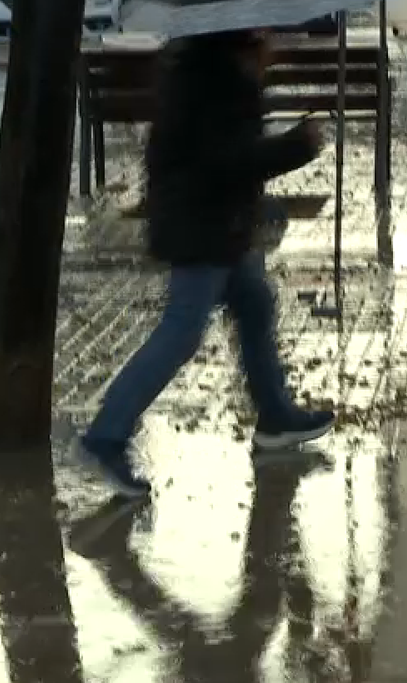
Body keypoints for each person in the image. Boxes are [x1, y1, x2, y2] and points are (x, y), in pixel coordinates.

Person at [77, 28, 335, 499]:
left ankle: (275, 416)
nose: (275, 45)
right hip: (201, 226)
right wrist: (295, 146)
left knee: (255, 302)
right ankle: (105, 437)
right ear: (245, 40)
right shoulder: (217, 85)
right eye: (267, 37)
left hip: (218, 222)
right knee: (181, 332)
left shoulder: (212, 75)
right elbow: (226, 161)